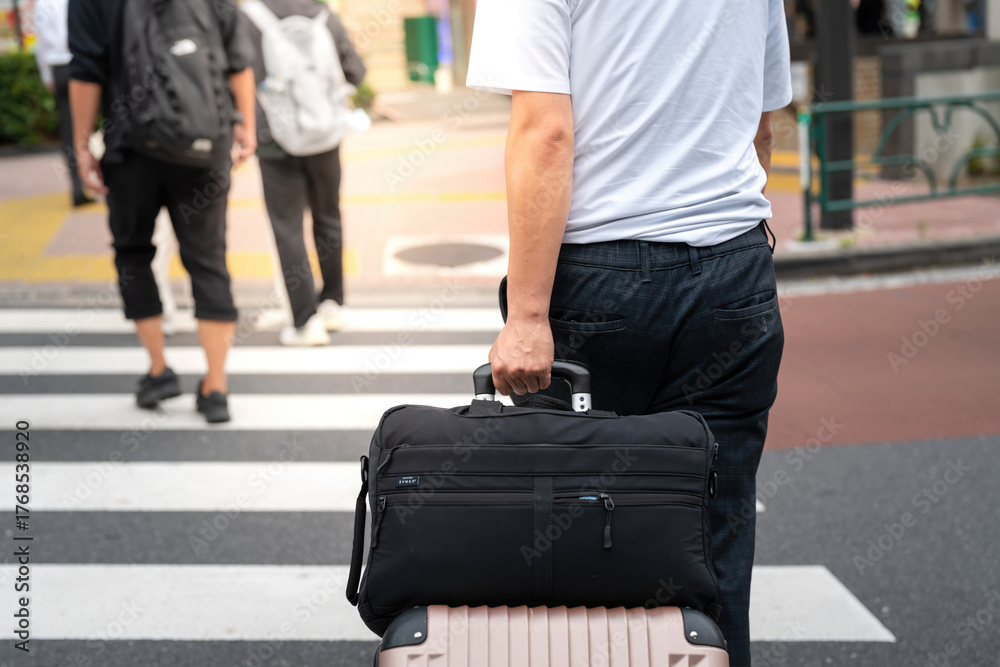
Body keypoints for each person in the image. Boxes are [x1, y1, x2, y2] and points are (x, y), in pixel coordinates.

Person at [466, 1, 791, 665]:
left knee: (573, 539)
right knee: (715, 532)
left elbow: (545, 134)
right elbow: (760, 125)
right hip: (732, 263)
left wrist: (527, 316)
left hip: (599, 277)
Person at [67, 0, 257, 423]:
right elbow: (239, 58)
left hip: (130, 147)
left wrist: (82, 148)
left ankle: (158, 369)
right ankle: (216, 387)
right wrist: (245, 125)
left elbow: (84, 70)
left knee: (134, 252)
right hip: (205, 143)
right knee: (207, 259)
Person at [242, 0, 366, 346]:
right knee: (328, 217)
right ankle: (334, 304)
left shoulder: (249, 17)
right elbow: (355, 71)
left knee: (287, 227)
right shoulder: (325, 14)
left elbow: (236, 75)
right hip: (325, 133)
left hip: (273, 140)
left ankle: (305, 320)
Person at [33, 0, 92, 207]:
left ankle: (77, 187)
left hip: (59, 69)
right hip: (82, 63)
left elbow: (41, 45)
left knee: (70, 130)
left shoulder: (43, 3)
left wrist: (47, 77)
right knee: (95, 124)